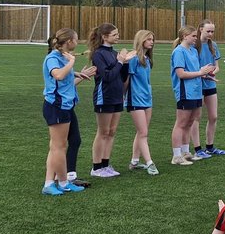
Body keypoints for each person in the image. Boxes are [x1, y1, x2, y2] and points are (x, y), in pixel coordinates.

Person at [41, 28, 96, 195]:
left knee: (57, 146)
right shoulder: (53, 58)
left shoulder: (62, 57)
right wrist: (71, 62)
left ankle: (50, 183)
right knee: (59, 147)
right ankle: (63, 183)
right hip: (57, 107)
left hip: (66, 106)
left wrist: (79, 75)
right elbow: (58, 75)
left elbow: (65, 83)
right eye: (76, 39)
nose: (77, 42)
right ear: (69, 41)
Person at [88, 23, 132, 177]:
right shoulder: (98, 54)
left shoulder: (114, 53)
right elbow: (107, 76)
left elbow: (122, 76)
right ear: (104, 37)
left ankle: (106, 165)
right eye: (114, 35)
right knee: (103, 131)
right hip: (104, 96)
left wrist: (125, 63)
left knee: (112, 131)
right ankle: (96, 167)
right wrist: (119, 62)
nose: (118, 36)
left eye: (117, 34)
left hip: (117, 96)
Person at [170, 26, 215, 166]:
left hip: (196, 91)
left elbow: (195, 71)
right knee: (181, 123)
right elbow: (181, 74)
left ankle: (185, 152)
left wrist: (206, 75)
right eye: (193, 36)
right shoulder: (179, 52)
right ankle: (176, 156)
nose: (196, 38)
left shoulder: (194, 51)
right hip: (185, 92)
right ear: (185, 36)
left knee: (190, 122)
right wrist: (201, 72)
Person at [191, 19, 225, 158]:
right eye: (208, 31)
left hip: (210, 84)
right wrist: (202, 73)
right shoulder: (194, 45)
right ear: (200, 29)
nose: (210, 34)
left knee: (213, 116)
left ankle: (210, 147)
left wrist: (212, 73)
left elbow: (217, 67)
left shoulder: (213, 45)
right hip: (197, 85)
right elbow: (192, 68)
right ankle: (198, 149)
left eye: (212, 31)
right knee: (196, 117)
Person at [125, 30, 157, 175]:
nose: (152, 42)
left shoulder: (147, 59)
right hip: (135, 99)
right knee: (143, 132)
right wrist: (122, 96)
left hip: (146, 98)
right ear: (141, 40)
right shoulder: (133, 59)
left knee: (142, 131)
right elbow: (126, 80)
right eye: (149, 39)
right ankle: (150, 163)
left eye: (152, 39)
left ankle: (135, 161)